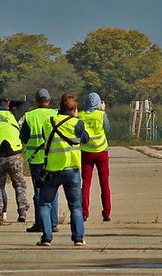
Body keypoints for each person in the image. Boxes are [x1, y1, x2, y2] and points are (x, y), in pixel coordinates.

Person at [35, 93, 86, 246]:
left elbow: (45, 137)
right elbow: (85, 139)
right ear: (74, 109)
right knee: (76, 206)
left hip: (51, 170)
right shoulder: (77, 123)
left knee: (45, 205)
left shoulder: (49, 121)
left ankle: (47, 237)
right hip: (72, 170)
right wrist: (76, 118)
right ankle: (78, 238)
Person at [0, 97, 30, 226]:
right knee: (19, 184)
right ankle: (22, 212)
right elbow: (27, 103)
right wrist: (13, 103)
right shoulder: (13, 115)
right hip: (15, 155)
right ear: (7, 107)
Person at [21, 88, 57, 233]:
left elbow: (23, 137)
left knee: (39, 191)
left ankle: (40, 222)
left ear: (36, 101)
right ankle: (53, 222)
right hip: (52, 158)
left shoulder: (29, 116)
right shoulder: (55, 114)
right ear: (49, 100)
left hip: (35, 158)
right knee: (52, 190)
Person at [79, 92, 112, 222]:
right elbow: (107, 129)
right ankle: (106, 212)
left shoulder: (81, 115)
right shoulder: (101, 115)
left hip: (86, 151)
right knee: (104, 184)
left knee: (86, 183)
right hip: (101, 151)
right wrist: (103, 111)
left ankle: (84, 212)